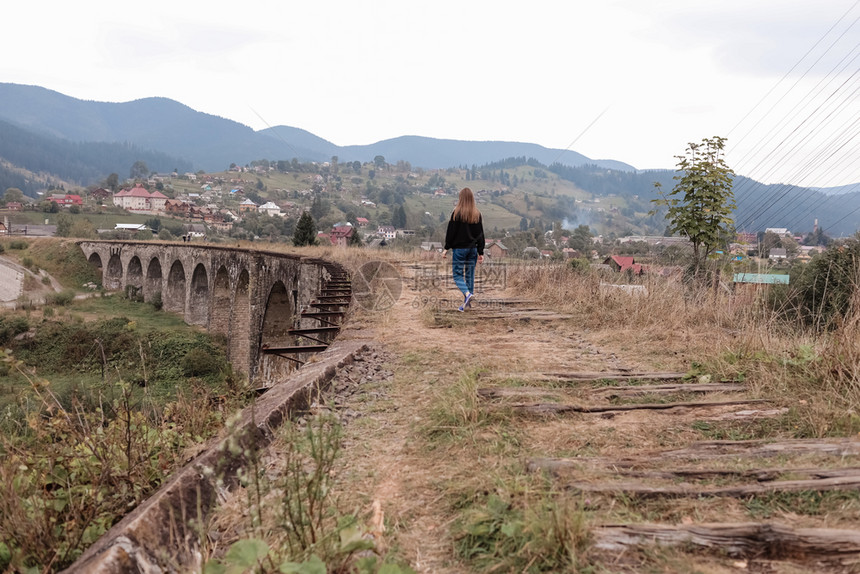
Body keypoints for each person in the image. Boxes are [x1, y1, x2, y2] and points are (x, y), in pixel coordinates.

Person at [443, 187, 485, 311]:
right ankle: (467, 305)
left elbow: (451, 232)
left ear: (460, 198)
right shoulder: (476, 214)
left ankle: (467, 295)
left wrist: (446, 248)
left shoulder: (456, 213)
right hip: (472, 249)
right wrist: (480, 251)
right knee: (469, 276)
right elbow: (480, 234)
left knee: (457, 275)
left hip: (459, 250)